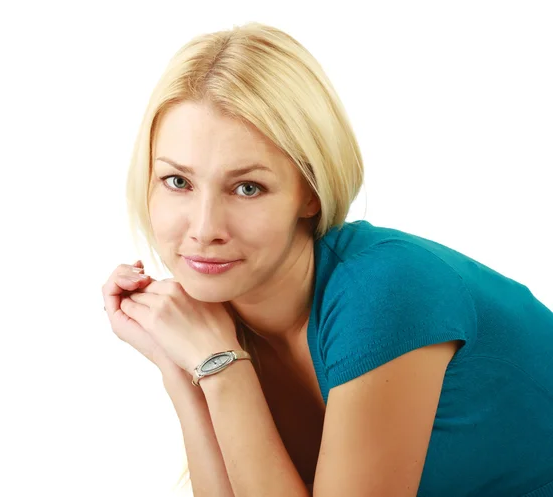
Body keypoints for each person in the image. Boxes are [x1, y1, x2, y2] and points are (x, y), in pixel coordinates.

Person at [101, 22, 553, 497]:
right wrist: (180, 363)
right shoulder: (226, 313)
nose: (204, 228)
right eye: (178, 182)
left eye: (247, 187)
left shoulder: (383, 292)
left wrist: (219, 367)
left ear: (310, 192)